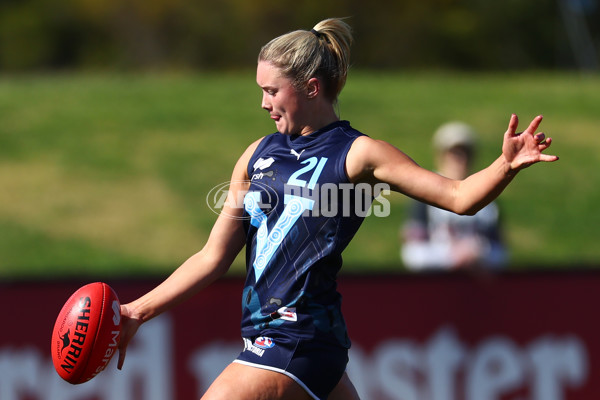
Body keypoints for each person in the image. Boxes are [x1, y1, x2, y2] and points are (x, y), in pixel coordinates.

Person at [116, 18, 558, 400]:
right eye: (261, 90)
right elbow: (212, 257)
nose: (264, 103)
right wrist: (138, 311)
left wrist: (505, 165)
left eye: (272, 91)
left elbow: (460, 197)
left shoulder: (358, 153)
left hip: (296, 339)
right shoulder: (258, 155)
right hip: (284, 342)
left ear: (311, 87)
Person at [401, 121, 508, 271]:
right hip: (436, 284)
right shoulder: (424, 194)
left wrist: (479, 254)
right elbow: (413, 254)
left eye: (466, 153)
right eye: (454, 153)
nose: (461, 159)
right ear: (440, 156)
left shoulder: (489, 198)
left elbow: (501, 253)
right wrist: (451, 256)